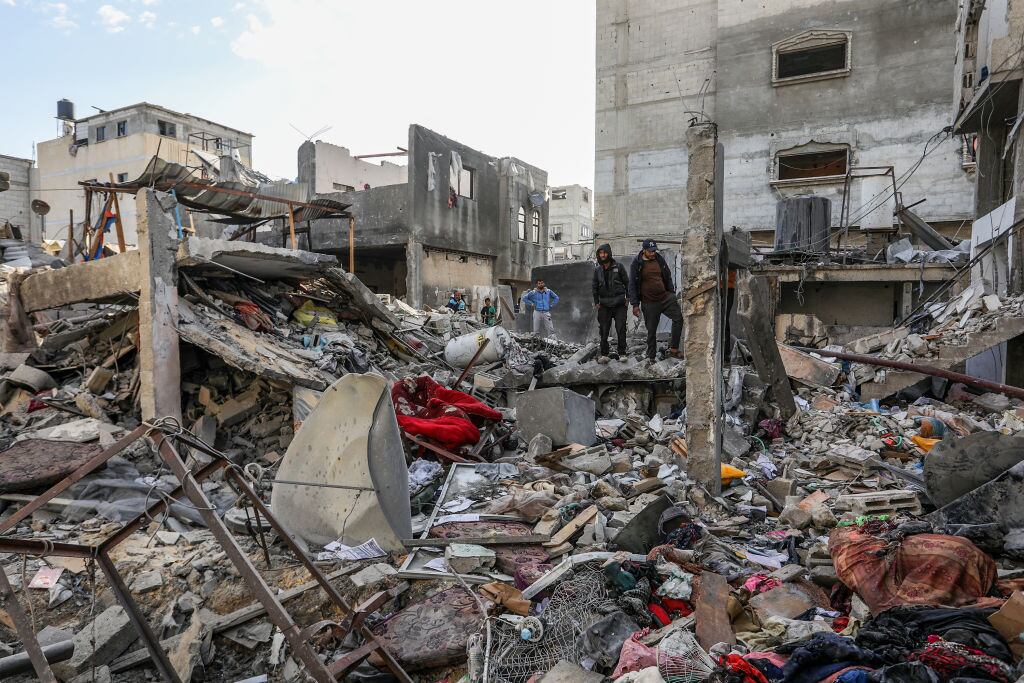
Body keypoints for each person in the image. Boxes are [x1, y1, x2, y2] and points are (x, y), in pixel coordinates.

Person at [628, 239, 683, 361]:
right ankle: (651, 357)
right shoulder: (637, 263)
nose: (653, 253)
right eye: (650, 251)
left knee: (678, 318)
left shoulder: (659, 259)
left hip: (665, 298)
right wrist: (635, 304)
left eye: (654, 251)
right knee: (651, 331)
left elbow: (667, 275)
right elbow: (632, 284)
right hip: (649, 302)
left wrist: (672, 293)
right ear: (644, 250)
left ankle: (674, 348)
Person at [592, 243, 629, 359]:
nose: (602, 255)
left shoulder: (619, 267)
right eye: (600, 253)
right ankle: (604, 354)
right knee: (603, 331)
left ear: (609, 253)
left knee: (621, 328)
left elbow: (627, 282)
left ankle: (622, 353)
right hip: (604, 305)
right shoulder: (597, 270)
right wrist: (596, 302)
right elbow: (594, 287)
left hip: (619, 304)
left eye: (604, 253)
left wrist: (628, 298)